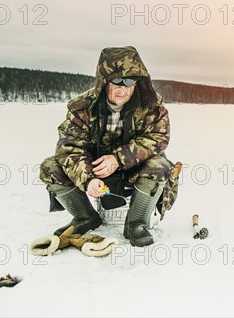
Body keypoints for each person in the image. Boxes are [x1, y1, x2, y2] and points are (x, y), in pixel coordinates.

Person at [38, 46, 174, 247]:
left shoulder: (151, 106)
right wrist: (88, 179)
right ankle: (85, 218)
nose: (123, 88)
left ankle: (136, 224)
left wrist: (118, 159)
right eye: (117, 81)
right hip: (94, 168)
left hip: (133, 167)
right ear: (104, 81)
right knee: (50, 167)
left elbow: (158, 137)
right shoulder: (82, 107)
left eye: (130, 81)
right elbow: (69, 148)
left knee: (159, 166)